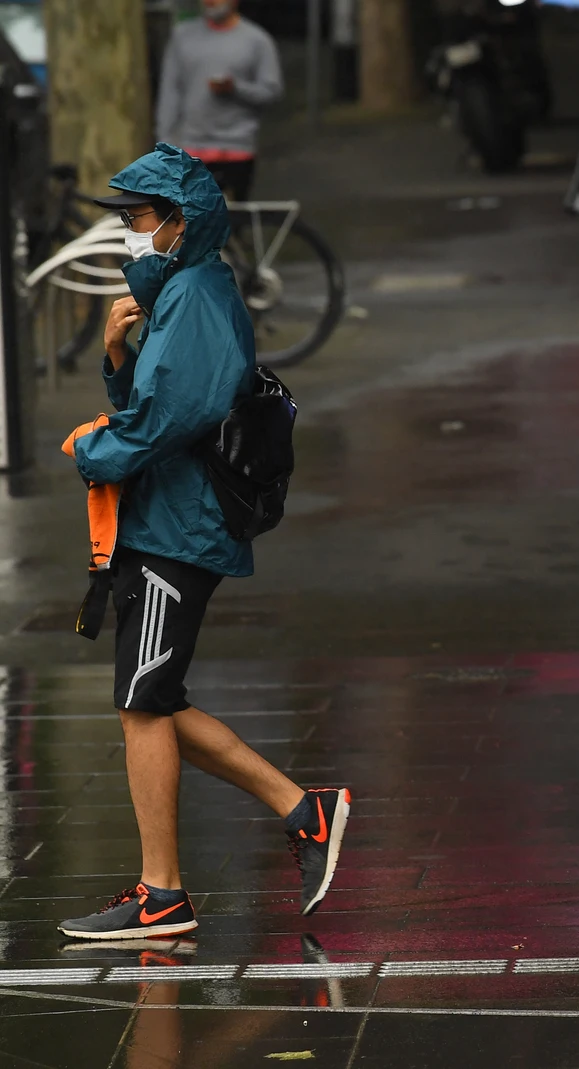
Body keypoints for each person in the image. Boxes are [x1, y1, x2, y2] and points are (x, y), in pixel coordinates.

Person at [56, 145, 350, 941]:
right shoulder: (182, 293)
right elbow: (154, 403)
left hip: (175, 530)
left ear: (178, 223)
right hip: (167, 521)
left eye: (139, 219)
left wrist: (92, 454)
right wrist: (119, 359)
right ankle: (305, 810)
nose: (128, 233)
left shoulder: (194, 294)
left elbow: (168, 421)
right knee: (150, 701)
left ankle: (165, 894)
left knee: (143, 701)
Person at [155, 0, 282, 202]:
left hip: (237, 150)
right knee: (191, 226)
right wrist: (165, 144)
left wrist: (235, 88)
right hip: (190, 150)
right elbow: (170, 94)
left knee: (230, 224)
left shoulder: (257, 40)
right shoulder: (182, 37)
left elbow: (271, 92)